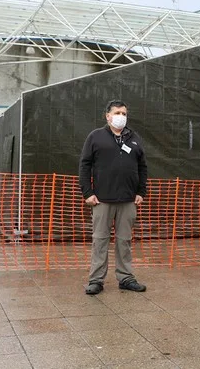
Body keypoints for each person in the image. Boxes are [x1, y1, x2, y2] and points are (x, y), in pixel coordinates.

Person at [79, 100, 148, 295]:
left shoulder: (134, 138)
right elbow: (84, 165)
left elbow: (142, 166)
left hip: (128, 200)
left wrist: (141, 192)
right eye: (117, 113)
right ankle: (96, 280)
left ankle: (125, 277)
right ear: (107, 116)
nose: (121, 117)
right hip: (102, 200)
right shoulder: (95, 137)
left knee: (124, 240)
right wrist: (88, 192)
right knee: (100, 240)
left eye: (124, 113)